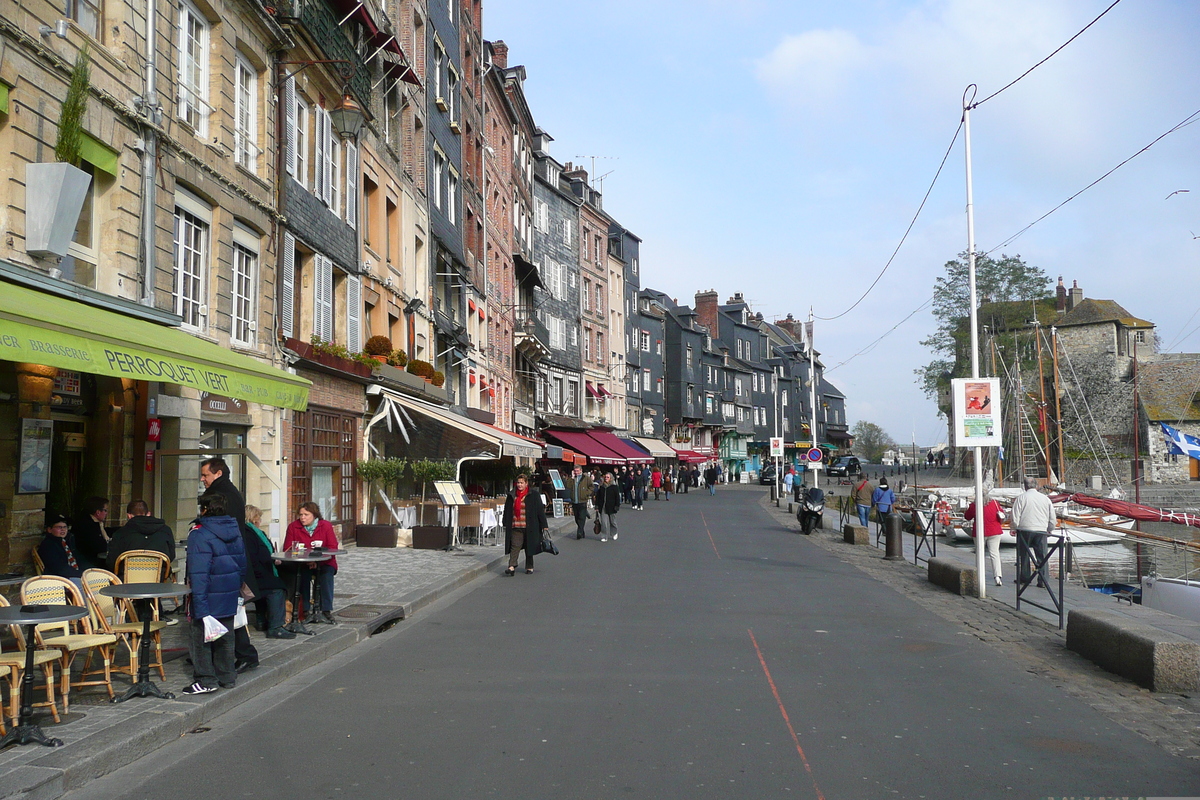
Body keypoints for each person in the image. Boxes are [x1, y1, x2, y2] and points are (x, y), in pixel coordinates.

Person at [184, 491, 247, 695]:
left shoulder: (199, 533)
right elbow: (242, 563)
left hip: (208, 592)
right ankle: (227, 677)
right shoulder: (233, 529)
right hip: (229, 590)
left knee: (201, 638)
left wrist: (199, 605)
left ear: (204, 509)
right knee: (226, 637)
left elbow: (198, 573)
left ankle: (206, 679)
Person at [283, 503, 339, 624]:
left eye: (306, 515)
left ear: (314, 515)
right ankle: (306, 610)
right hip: (303, 563)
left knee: (326, 575)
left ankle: (326, 610)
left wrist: (317, 560)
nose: (303, 517)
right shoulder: (294, 527)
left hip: (324, 562)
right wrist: (308, 560)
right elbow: (288, 548)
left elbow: (332, 547)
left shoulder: (325, 526)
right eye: (301, 514)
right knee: (303, 576)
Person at [244, 505, 292, 640]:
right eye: (259, 518)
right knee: (276, 587)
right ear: (254, 519)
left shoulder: (258, 533)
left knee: (281, 578)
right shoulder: (248, 534)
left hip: (263, 569)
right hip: (254, 574)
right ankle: (275, 626)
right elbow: (253, 558)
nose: (260, 521)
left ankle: (262, 621)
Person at [1010, 476, 1056, 588]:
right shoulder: (1045, 499)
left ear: (1025, 486)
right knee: (1043, 556)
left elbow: (1015, 516)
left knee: (1024, 555)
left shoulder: (1021, 498)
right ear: (1036, 485)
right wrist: (1050, 528)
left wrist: (1014, 528)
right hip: (1041, 529)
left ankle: (1025, 578)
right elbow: (1052, 517)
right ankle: (1043, 580)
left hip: (1025, 529)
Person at [106, 500, 176, 571]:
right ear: (148, 514)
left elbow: (112, 562)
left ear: (129, 516)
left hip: (128, 579)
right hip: (158, 578)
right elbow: (171, 556)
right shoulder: (166, 530)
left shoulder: (120, 534)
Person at [502, 474, 546, 575]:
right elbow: (507, 509)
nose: (519, 485)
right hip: (516, 525)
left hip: (530, 525)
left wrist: (544, 525)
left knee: (529, 546)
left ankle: (529, 566)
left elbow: (540, 511)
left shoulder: (533, 495)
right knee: (515, 546)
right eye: (518, 482)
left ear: (526, 484)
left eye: (522, 483)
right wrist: (505, 522)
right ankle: (511, 566)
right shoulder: (512, 495)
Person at [966, 494, 1006, 587]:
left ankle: (980, 575)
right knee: (995, 554)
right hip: (994, 530)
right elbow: (1001, 513)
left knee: (980, 554)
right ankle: (997, 577)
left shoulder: (974, 505)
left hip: (980, 531)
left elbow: (967, 517)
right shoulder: (995, 503)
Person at [37, 514, 84, 591]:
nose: (63, 530)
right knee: (78, 583)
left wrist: (87, 571)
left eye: (65, 527)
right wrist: (80, 574)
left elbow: (79, 558)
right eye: (59, 527)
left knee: (95, 579)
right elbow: (59, 568)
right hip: (58, 578)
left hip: (72, 574)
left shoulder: (66, 541)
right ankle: (82, 603)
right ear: (49, 530)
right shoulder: (48, 545)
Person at [200, 457, 246, 529]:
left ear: (218, 474)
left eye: (205, 475)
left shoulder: (218, 495)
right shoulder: (230, 491)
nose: (202, 479)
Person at [73, 496, 111, 570]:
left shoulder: (93, 523)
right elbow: (102, 547)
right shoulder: (88, 526)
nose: (106, 513)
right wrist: (102, 530)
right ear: (98, 512)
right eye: (105, 510)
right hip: (88, 563)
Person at [563, 465, 594, 540]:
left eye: (577, 471)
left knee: (582, 517)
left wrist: (587, 493)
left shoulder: (586, 478)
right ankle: (582, 530)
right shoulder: (573, 478)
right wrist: (571, 478)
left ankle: (579, 532)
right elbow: (568, 486)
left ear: (581, 470)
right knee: (577, 517)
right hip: (574, 500)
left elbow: (591, 487)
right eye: (575, 471)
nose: (576, 472)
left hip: (582, 500)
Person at [593, 471, 621, 543]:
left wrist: (617, 505)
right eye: (605, 477)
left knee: (613, 522)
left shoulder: (614, 487)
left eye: (608, 477)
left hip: (612, 507)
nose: (606, 478)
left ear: (611, 478)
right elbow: (598, 497)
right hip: (603, 507)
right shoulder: (601, 487)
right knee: (604, 523)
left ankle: (614, 533)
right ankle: (604, 536)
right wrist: (596, 506)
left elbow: (617, 497)